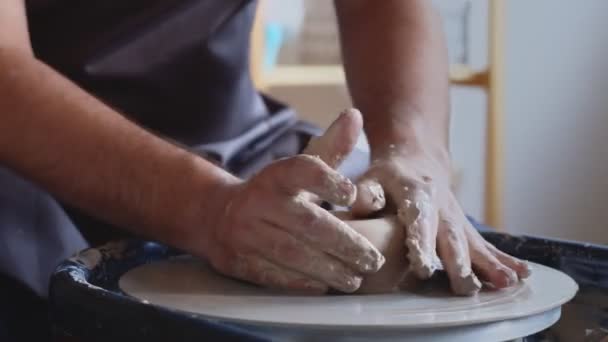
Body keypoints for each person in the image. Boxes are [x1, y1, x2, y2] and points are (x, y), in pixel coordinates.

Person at [0, 0, 530, 339]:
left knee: (451, 272)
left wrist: (414, 151)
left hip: (233, 135)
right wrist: (207, 209)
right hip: (25, 155)